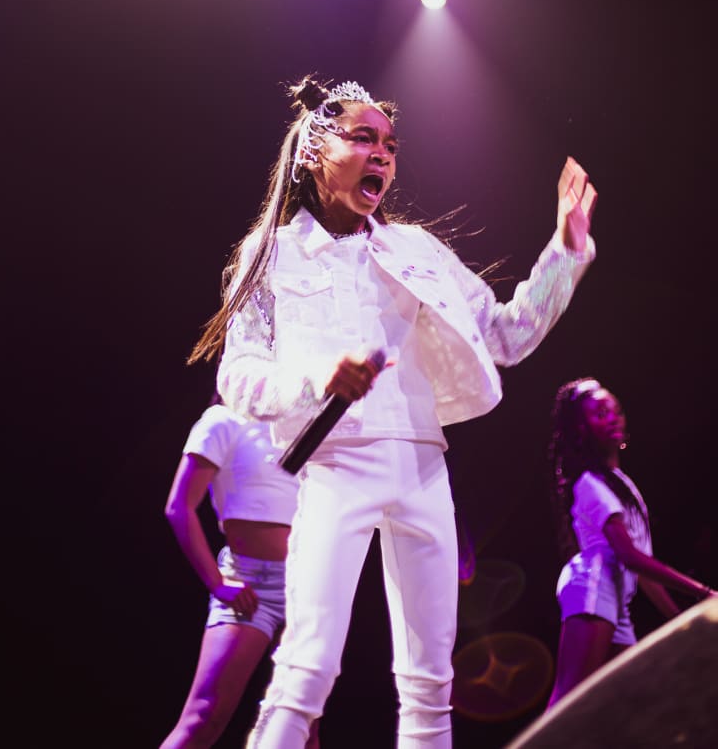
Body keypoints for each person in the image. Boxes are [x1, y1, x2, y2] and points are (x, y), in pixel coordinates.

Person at [189, 76, 598, 749]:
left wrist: (566, 250)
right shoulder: (271, 256)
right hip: (334, 469)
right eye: (362, 139)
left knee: (431, 685)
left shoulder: (416, 251)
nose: (380, 154)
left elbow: (505, 335)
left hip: (422, 469)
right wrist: (316, 377)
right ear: (314, 154)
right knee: (305, 671)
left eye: (390, 145)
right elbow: (238, 376)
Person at [546, 377, 716, 708]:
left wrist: (679, 620)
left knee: (631, 699)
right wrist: (704, 592)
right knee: (570, 701)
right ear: (580, 429)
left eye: (616, 411)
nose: (612, 418)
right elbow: (630, 557)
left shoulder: (622, 484)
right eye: (599, 413)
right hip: (594, 584)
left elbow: (644, 573)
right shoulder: (590, 484)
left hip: (617, 595)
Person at [159, 400, 320, 749]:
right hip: (253, 587)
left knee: (302, 727)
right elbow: (179, 507)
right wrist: (217, 584)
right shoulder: (224, 420)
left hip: (308, 586)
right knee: (206, 716)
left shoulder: (301, 424)